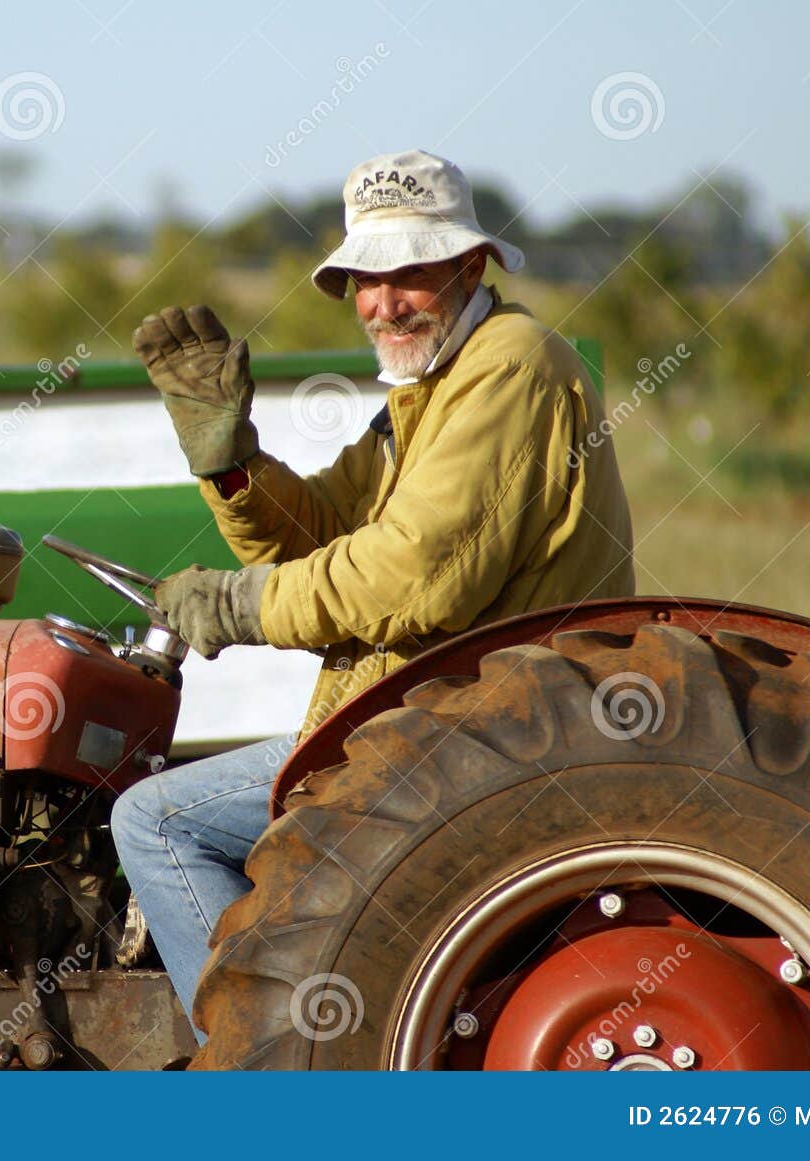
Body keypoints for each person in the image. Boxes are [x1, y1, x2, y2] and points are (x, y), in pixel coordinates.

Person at [110, 149, 635, 1036]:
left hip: (487, 730)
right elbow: (325, 533)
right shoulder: (427, 392)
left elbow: (411, 576)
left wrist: (240, 606)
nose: (383, 302)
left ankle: (259, 1071)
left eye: (411, 274)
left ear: (472, 266)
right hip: (437, 721)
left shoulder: (511, 368)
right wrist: (231, 462)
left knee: (156, 821)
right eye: (365, 278)